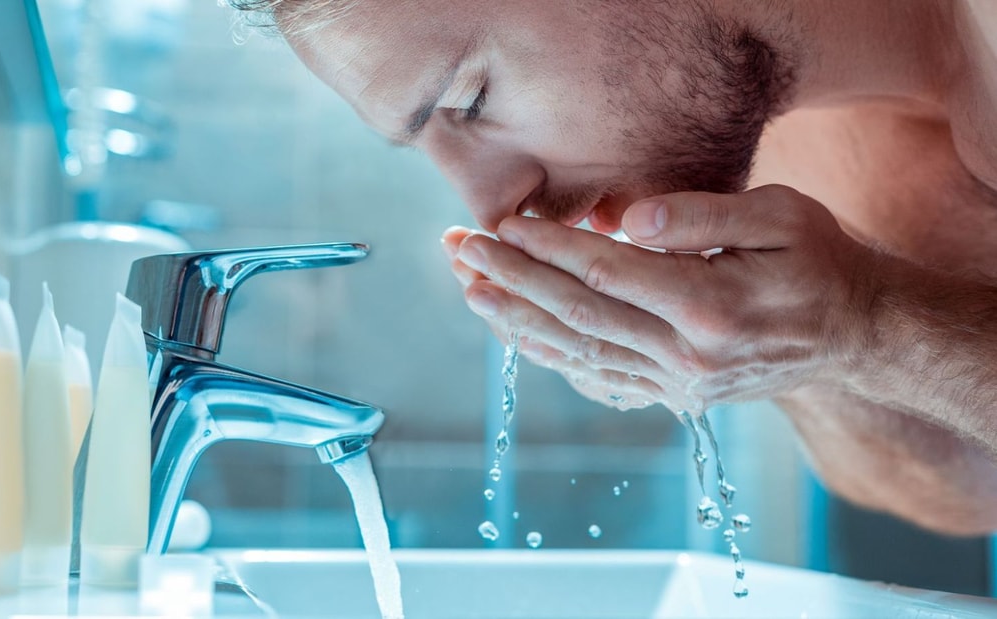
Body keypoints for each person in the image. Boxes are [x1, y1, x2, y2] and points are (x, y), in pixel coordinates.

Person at [228, 0, 997, 536]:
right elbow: (969, 489)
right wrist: (777, 346)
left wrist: (870, 325)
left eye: (471, 98)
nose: (494, 207)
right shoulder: (793, 149)